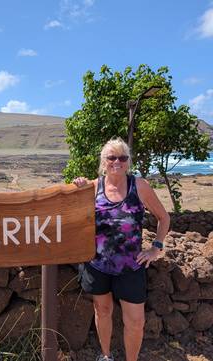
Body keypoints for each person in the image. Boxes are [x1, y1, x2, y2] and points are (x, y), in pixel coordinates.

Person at [73, 138, 170, 361]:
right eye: (111, 157)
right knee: (102, 311)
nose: (117, 162)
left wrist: (156, 247)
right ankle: (105, 356)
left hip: (131, 265)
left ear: (128, 162)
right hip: (97, 263)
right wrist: (77, 186)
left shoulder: (140, 186)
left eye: (123, 158)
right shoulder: (93, 186)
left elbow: (163, 218)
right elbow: (69, 210)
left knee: (136, 321)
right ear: (103, 161)